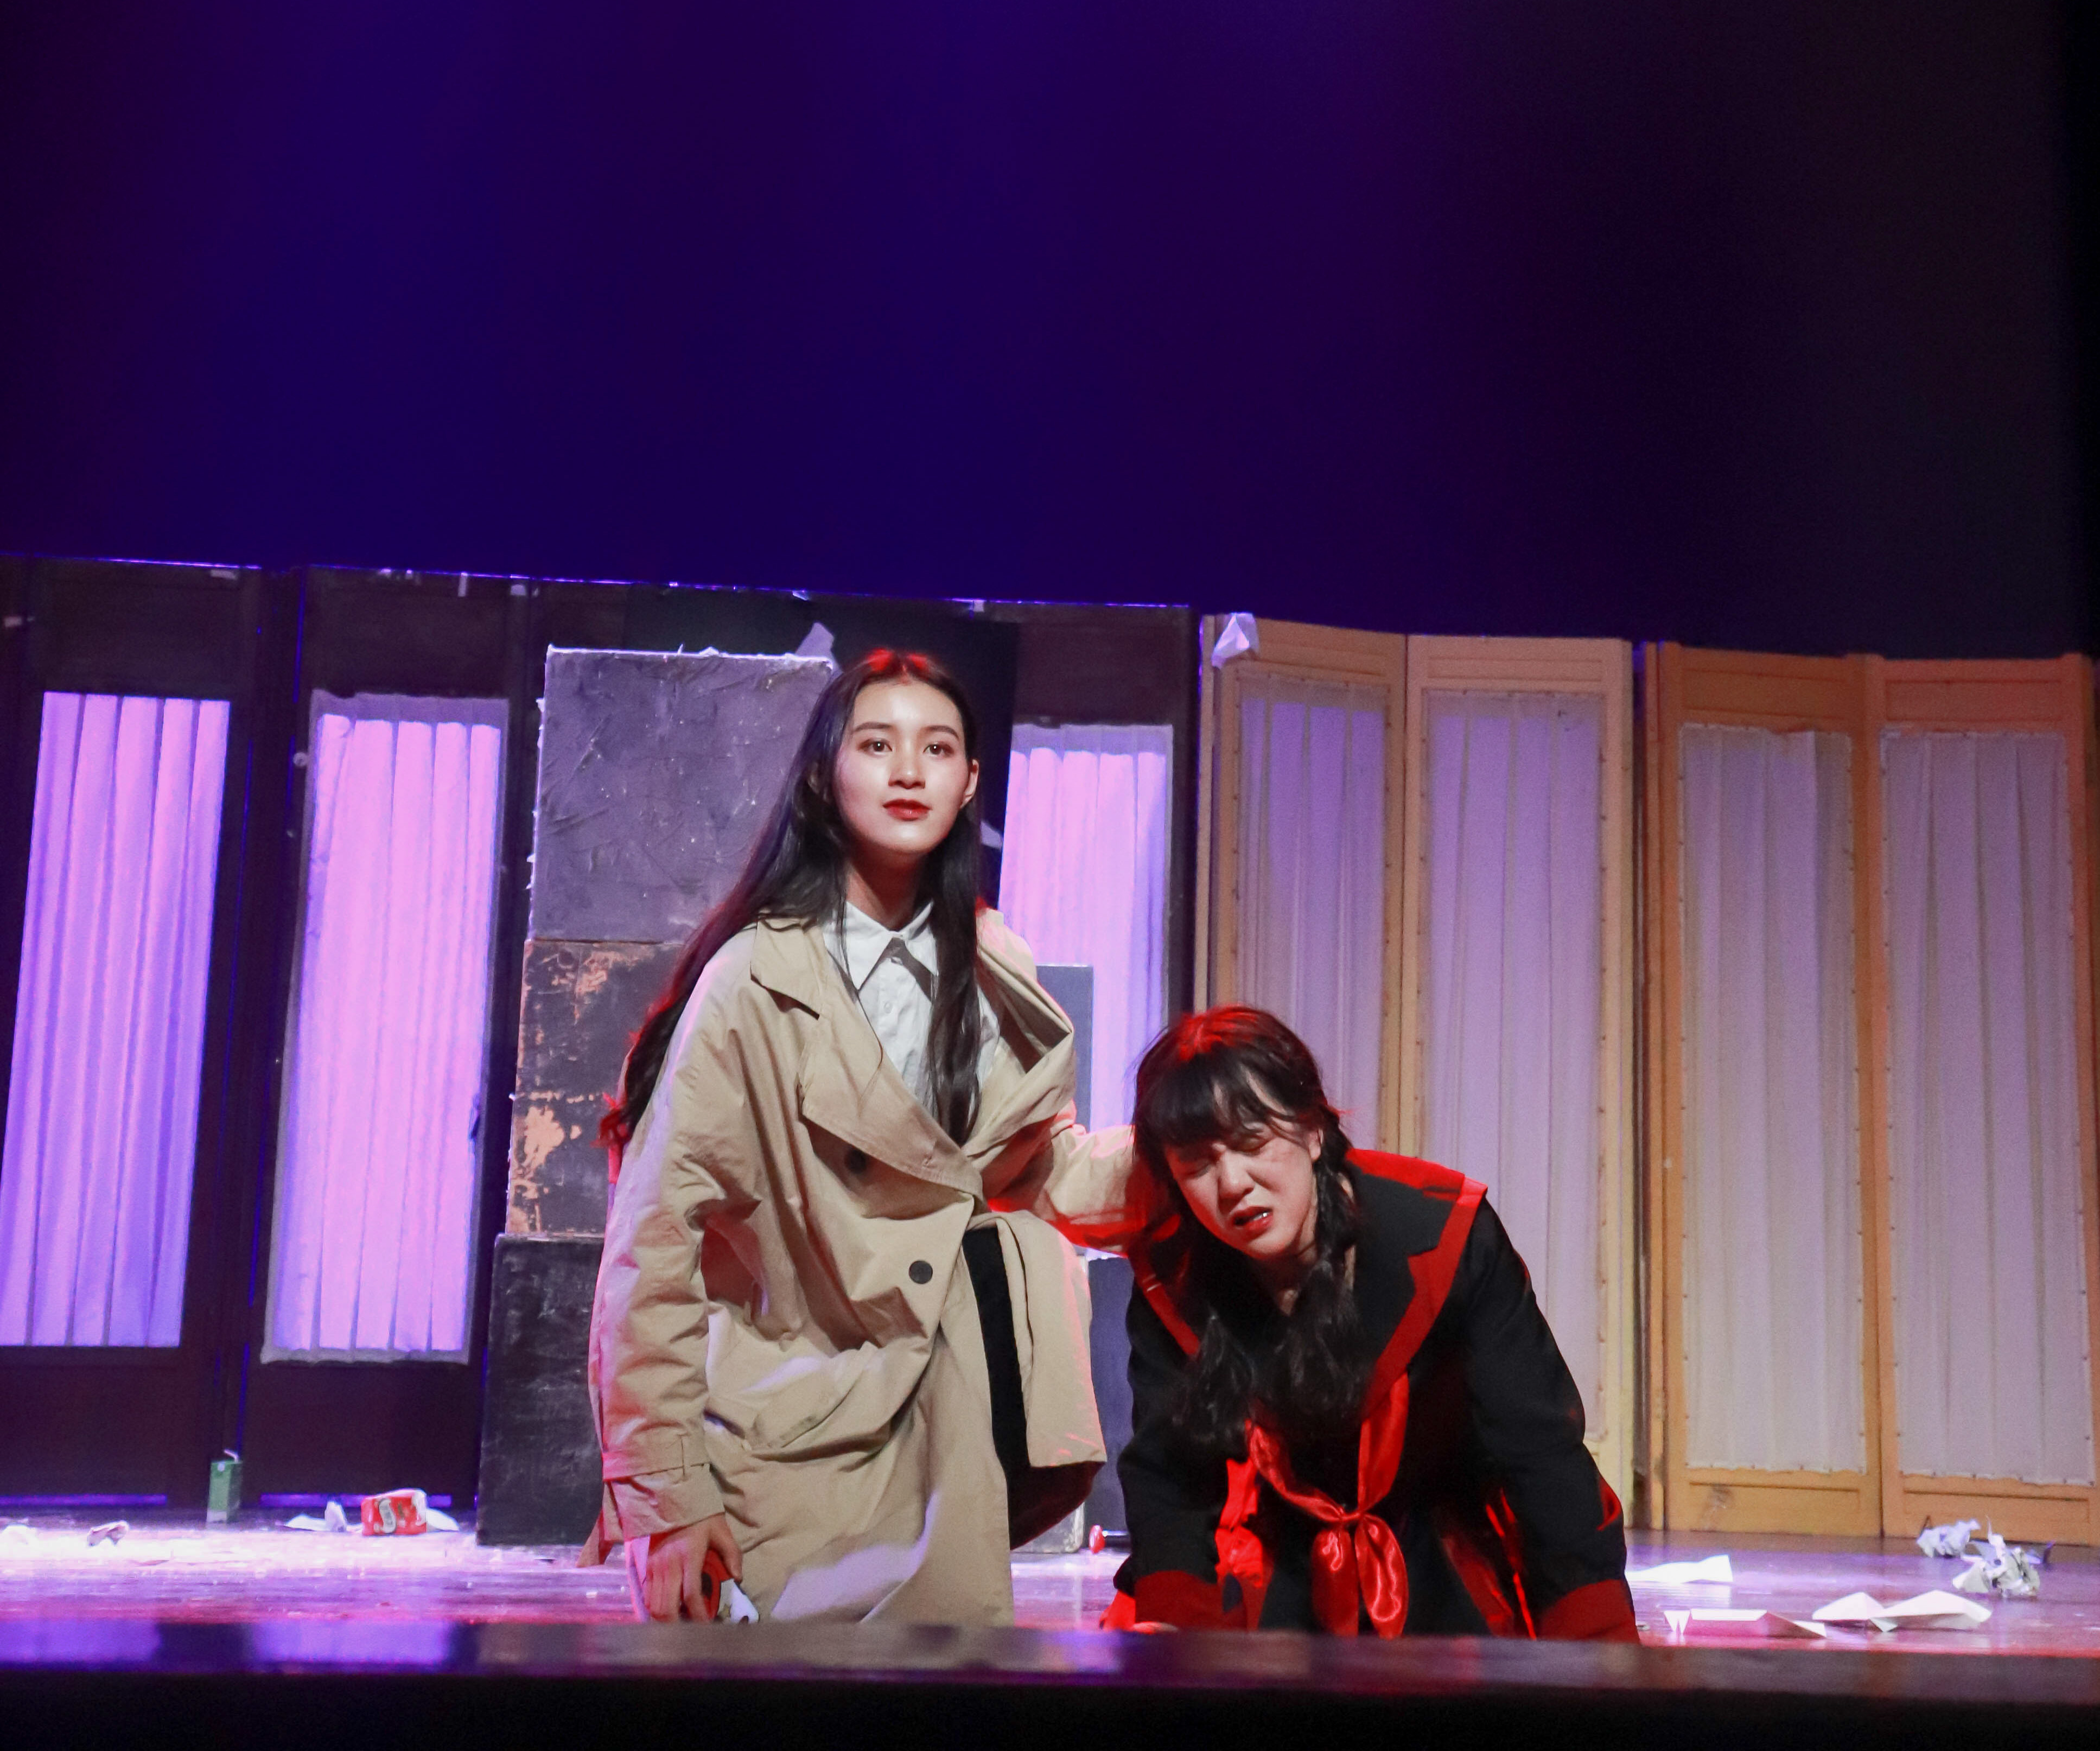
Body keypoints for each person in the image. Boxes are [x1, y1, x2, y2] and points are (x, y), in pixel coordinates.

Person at [586, 649, 1130, 1625]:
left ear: (971, 782)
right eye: (877, 745)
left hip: (941, 1427)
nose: (909, 770)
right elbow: (655, 1241)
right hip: (778, 1430)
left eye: (938, 748)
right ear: (822, 776)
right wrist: (667, 1497)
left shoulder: (995, 963)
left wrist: (1202, 1148)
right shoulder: (756, 977)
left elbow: (1035, 1167)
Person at [1107, 1007, 1636, 1639]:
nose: (1232, 1184)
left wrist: (1595, 1645)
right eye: (1197, 1163)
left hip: (1440, 1560)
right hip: (1269, 1572)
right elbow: (1170, 1477)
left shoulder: (1443, 1235)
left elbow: (1539, 1449)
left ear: (1312, 1130)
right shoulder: (1174, 1276)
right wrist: (1172, 1638)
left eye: (1252, 1143)